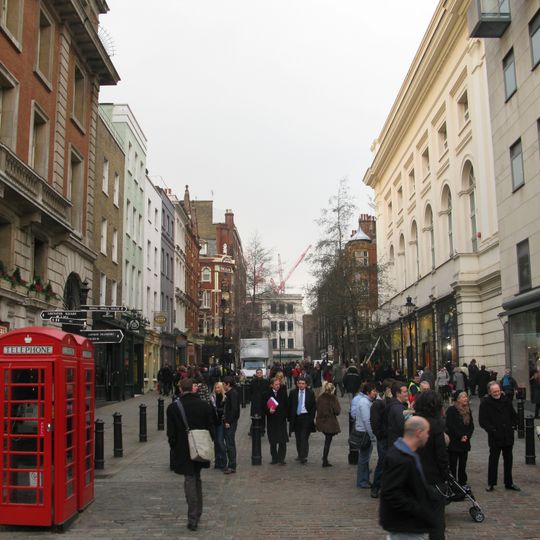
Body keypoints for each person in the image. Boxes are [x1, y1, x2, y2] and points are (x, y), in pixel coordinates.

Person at [167, 378, 215, 531]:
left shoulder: (173, 408)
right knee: (197, 477)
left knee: (189, 479)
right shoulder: (205, 406)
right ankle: (197, 513)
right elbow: (212, 428)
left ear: (181, 389)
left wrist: (175, 448)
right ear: (193, 389)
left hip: (183, 449)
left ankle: (193, 517)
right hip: (200, 447)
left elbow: (171, 434)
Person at [379, 416, 438, 539]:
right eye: (427, 432)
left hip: (408, 525)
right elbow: (391, 492)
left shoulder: (408, 454)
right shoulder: (400, 458)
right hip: (405, 526)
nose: (428, 436)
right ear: (418, 433)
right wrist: (419, 510)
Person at [414, 390, 449, 540]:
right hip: (433, 478)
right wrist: (445, 476)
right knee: (436, 521)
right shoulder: (436, 426)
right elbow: (441, 457)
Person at [479, 381, 520, 492]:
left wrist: (513, 425)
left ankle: (509, 482)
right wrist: (492, 430)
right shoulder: (485, 403)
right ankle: (491, 483)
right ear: (489, 392)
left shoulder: (506, 400)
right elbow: (482, 421)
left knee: (508, 460)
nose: (497, 393)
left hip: (507, 435)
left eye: (498, 391)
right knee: (493, 460)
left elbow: (513, 415)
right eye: (494, 392)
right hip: (495, 436)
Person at [351, 382, 378, 488]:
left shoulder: (367, 401)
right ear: (368, 392)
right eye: (374, 391)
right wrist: (372, 436)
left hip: (364, 432)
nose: (375, 393)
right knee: (364, 458)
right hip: (364, 433)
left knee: (365, 458)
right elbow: (367, 420)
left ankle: (364, 479)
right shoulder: (364, 403)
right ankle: (362, 481)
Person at [445, 391, 474, 486]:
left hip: (464, 442)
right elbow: (450, 425)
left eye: (466, 396)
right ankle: (453, 483)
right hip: (454, 441)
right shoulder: (451, 410)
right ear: (457, 399)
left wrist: (467, 436)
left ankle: (462, 481)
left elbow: (471, 426)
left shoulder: (468, 410)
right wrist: (460, 435)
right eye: (463, 397)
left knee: (463, 464)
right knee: (453, 464)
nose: (465, 398)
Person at [370, 380, 392, 498]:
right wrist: (379, 434)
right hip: (383, 437)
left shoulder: (392, 402)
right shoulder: (378, 403)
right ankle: (376, 486)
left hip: (391, 437)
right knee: (382, 462)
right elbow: (375, 422)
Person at [288, 376, 316, 464]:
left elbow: (313, 407)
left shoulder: (310, 393)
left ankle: (303, 456)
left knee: (304, 437)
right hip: (296, 418)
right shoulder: (293, 393)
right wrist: (290, 418)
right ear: (297, 384)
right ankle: (300, 454)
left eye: (303, 384)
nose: (301, 385)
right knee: (298, 438)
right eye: (299, 383)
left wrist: (311, 418)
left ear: (306, 385)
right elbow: (290, 406)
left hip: (306, 417)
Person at [263, 377, 289, 465]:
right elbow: (263, 407)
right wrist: (268, 411)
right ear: (271, 385)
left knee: (282, 440)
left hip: (281, 420)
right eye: (276, 384)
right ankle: (274, 458)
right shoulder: (267, 394)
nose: (278, 386)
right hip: (272, 420)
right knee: (273, 441)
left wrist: (285, 415)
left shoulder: (283, 393)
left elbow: (287, 405)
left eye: (279, 384)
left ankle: (282, 458)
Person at [315, 382, 341, 467]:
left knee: (327, 440)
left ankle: (325, 459)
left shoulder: (320, 398)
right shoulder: (333, 398)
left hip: (321, 422)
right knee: (328, 441)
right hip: (329, 423)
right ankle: (324, 459)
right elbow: (337, 411)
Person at [222, 376, 240, 474]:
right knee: (229, 443)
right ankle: (230, 464)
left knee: (230, 443)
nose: (223, 386)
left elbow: (234, 410)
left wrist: (228, 421)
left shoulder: (232, 394)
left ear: (228, 384)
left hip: (230, 422)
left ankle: (232, 465)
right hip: (229, 421)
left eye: (224, 384)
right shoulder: (230, 394)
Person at [386, 381, 409, 449]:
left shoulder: (395, 405)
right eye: (405, 392)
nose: (407, 394)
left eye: (407, 391)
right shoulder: (397, 408)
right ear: (397, 394)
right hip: (398, 445)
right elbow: (404, 427)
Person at [209, 382, 227, 470]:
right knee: (216, 442)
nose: (217, 389)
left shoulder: (225, 398)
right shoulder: (212, 398)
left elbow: (225, 411)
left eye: (219, 388)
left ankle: (224, 461)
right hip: (214, 422)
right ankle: (217, 461)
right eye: (216, 388)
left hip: (221, 422)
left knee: (220, 441)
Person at [249, 368, 268, 436]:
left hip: (263, 401)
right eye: (258, 373)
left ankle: (262, 430)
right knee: (254, 415)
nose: (259, 374)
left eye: (260, 373)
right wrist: (252, 398)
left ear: (262, 374)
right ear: (256, 374)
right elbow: (250, 391)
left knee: (262, 416)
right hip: (255, 401)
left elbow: (267, 391)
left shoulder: (266, 381)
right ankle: (253, 430)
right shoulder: (253, 381)